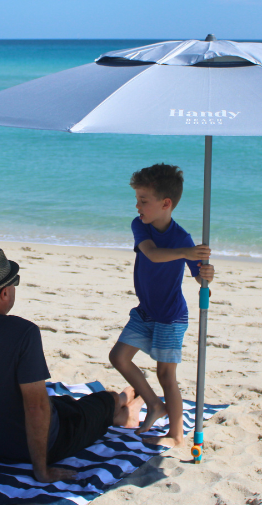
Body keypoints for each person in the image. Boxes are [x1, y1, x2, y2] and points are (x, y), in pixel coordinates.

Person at [0, 249, 142, 483]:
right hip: (47, 444)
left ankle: (124, 405)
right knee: (101, 401)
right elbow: (35, 407)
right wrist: (41, 470)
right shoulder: (23, 333)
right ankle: (127, 403)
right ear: (5, 292)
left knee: (64, 404)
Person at [109, 163, 215, 448]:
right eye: (137, 199)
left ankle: (177, 435)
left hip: (169, 316)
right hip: (145, 311)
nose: (137, 205)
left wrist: (206, 273)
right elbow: (153, 255)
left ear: (165, 203)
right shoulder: (140, 226)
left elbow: (197, 275)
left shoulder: (182, 238)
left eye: (143, 200)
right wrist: (185, 253)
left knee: (165, 374)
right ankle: (155, 405)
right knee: (119, 357)